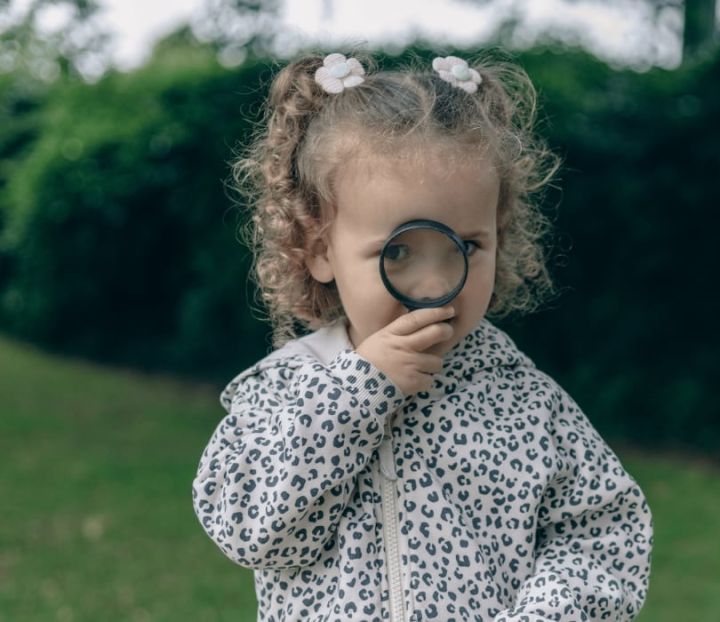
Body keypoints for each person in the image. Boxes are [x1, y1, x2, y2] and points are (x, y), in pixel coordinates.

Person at [192, 51, 653, 622]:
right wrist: (357, 392)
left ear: (499, 236)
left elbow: (603, 533)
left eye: (467, 246)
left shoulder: (525, 402)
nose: (436, 285)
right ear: (319, 251)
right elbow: (253, 532)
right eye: (399, 251)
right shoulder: (285, 389)